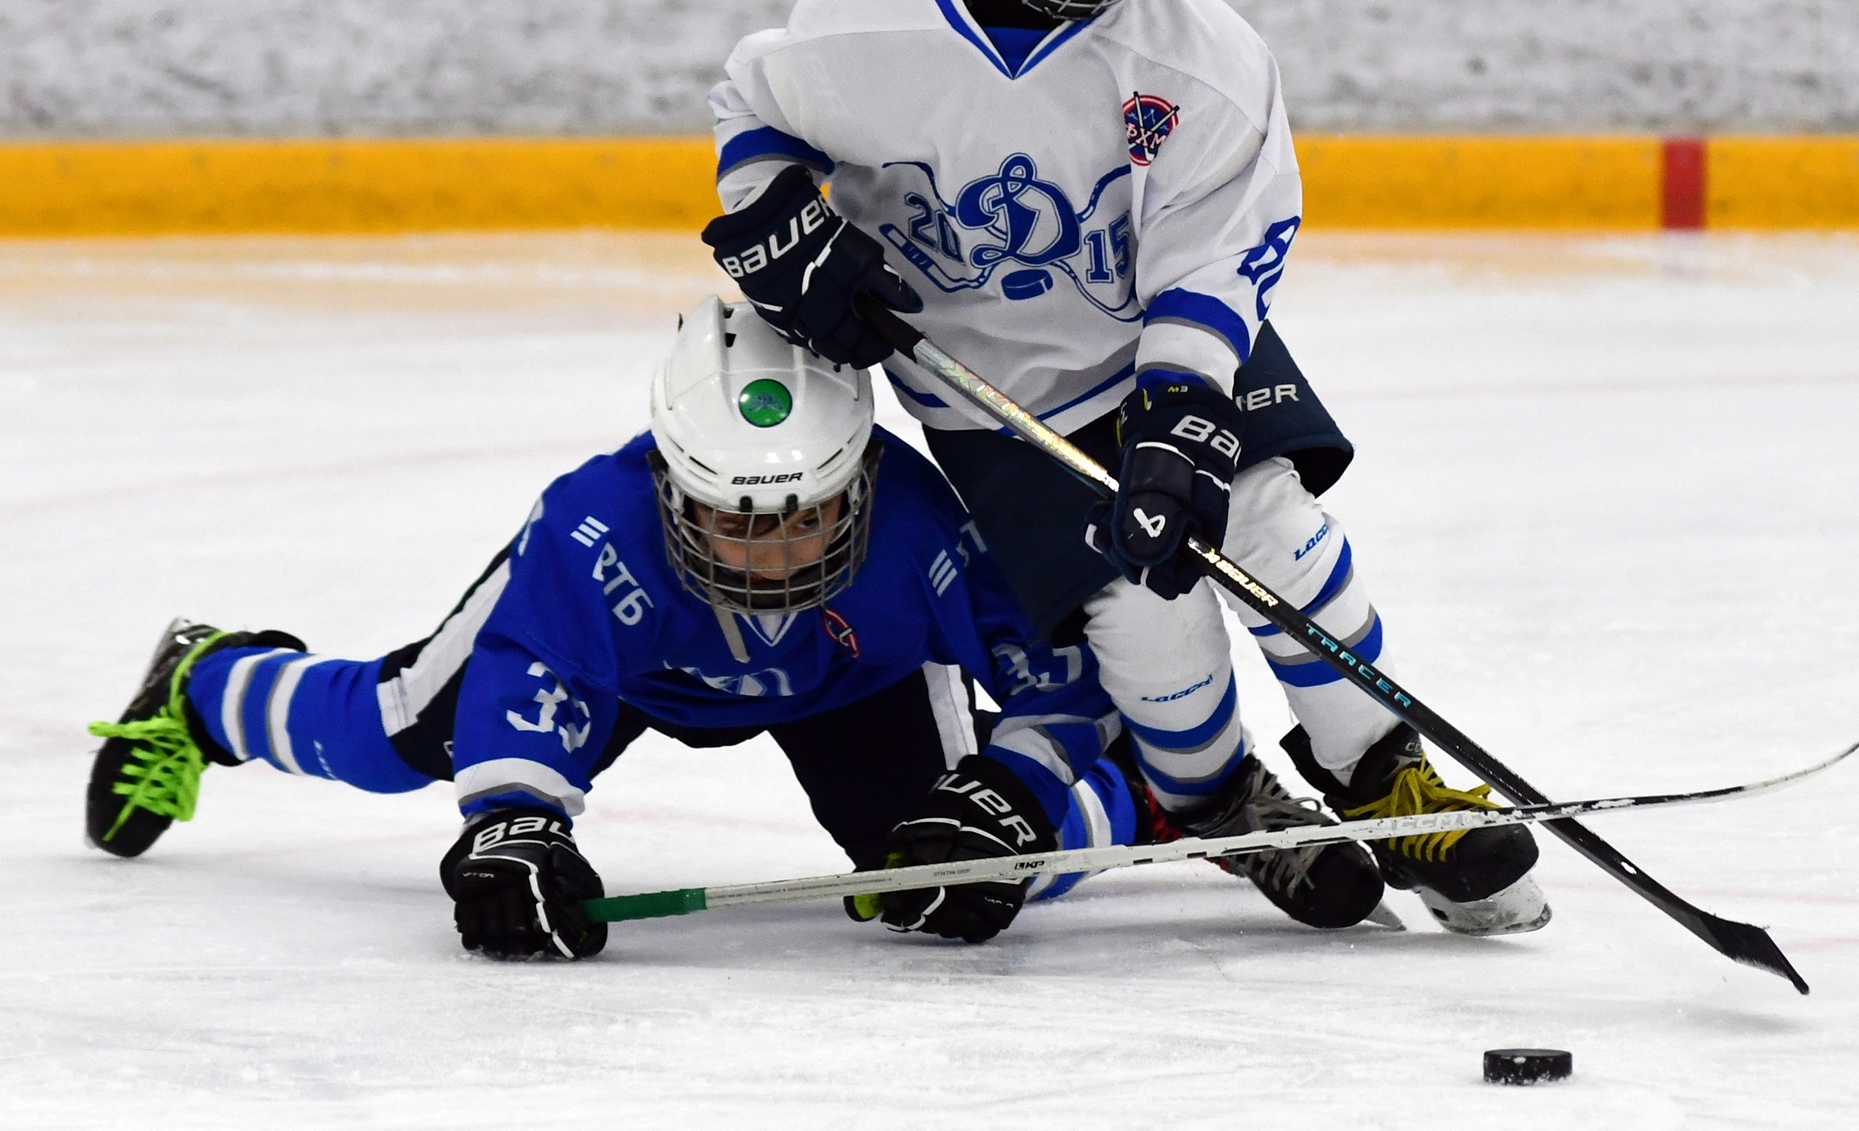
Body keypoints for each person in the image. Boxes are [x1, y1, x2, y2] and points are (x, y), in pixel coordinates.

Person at [701, 0, 1545, 936]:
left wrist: (1183, 408)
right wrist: (778, 225)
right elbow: (753, 110)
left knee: (1267, 524)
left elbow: (1213, 255)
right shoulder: (862, 19)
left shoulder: (1196, 57)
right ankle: (1213, 800)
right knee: (1147, 627)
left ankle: (1383, 765)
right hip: (997, 401)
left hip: (1166, 352)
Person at [85, 297, 1145, 958]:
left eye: (809, 515)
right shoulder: (593, 525)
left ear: (863, 476)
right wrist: (515, 826)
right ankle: (207, 682)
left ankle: (1144, 794)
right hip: (632, 672)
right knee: (395, 733)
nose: (772, 555)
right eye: (736, 520)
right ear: (669, 481)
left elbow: (1052, 673)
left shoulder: (925, 521)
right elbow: (524, 681)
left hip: (849, 678)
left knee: (951, 867)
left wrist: (1019, 790)